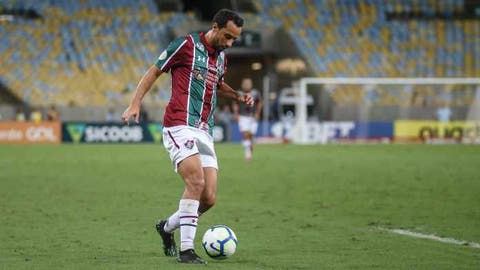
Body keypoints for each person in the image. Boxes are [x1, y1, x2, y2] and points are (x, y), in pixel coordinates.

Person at [122, 9, 252, 264]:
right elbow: (154, 71)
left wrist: (237, 95)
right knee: (195, 181)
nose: (229, 43)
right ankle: (186, 251)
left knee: (209, 197)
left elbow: (216, 84)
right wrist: (135, 103)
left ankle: (167, 227)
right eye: (227, 36)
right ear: (214, 26)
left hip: (205, 129)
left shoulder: (221, 59)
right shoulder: (186, 44)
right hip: (179, 124)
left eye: (234, 40)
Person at [233, 77, 262, 161]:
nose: (246, 85)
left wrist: (257, 113)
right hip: (243, 116)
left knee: (251, 134)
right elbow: (235, 103)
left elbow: (260, 102)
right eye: (245, 83)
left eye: (248, 83)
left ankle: (250, 143)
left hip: (253, 116)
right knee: (245, 134)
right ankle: (248, 155)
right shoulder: (239, 93)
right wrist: (236, 114)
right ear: (242, 84)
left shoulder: (255, 93)